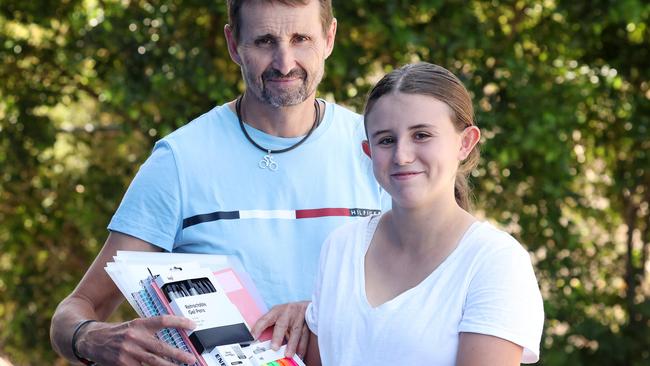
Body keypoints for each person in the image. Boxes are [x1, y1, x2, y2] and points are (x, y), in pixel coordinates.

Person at [50, 1, 387, 365]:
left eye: (301, 38)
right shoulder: (180, 160)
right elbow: (74, 311)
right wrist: (89, 337)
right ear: (233, 44)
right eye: (264, 41)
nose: (284, 62)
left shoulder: (380, 148)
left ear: (329, 38)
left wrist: (321, 314)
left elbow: (441, 290)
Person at [304, 62, 545, 365]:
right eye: (386, 140)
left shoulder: (495, 262)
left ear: (465, 143)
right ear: (368, 151)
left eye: (421, 135)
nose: (402, 156)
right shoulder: (340, 246)